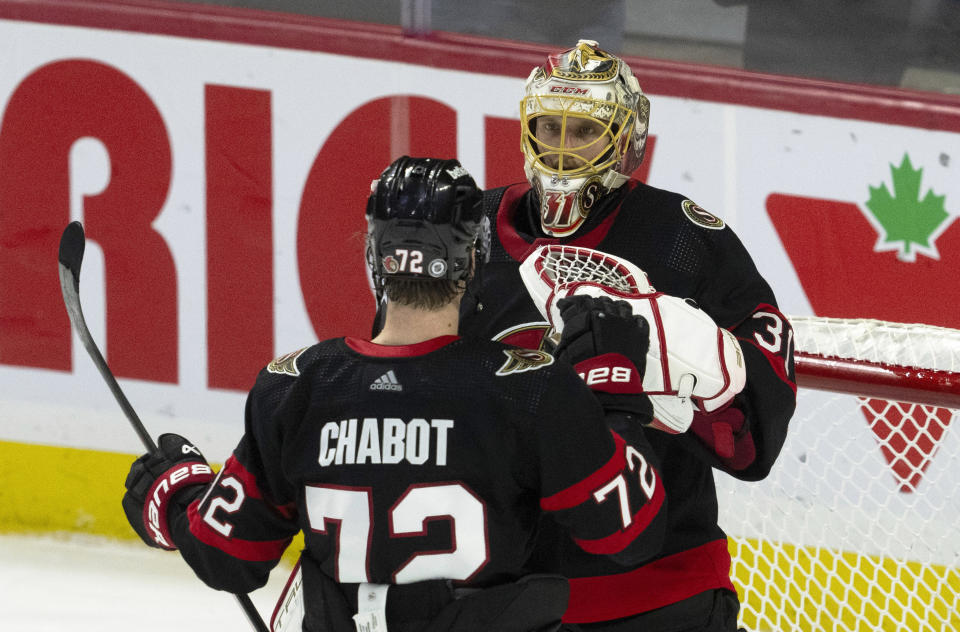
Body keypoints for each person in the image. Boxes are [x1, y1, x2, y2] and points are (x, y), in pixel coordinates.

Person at [121, 156, 669, 632]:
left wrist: (172, 497)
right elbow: (629, 534)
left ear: (374, 254)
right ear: (473, 259)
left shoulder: (297, 386)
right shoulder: (528, 387)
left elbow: (227, 557)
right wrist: (614, 387)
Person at [458, 40, 797, 631]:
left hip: (659, 595)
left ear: (623, 140)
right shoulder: (472, 232)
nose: (561, 148)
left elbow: (756, 439)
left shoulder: (685, 242)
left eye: (582, 131)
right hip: (505, 598)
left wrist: (674, 405)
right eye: (549, 127)